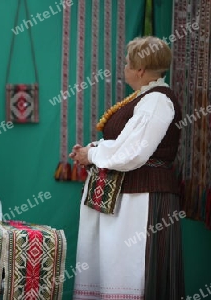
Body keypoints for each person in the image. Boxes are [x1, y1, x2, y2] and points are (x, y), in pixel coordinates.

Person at [69, 36, 185, 300]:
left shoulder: (157, 101)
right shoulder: (145, 98)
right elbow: (124, 144)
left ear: (140, 69)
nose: (124, 68)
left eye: (126, 63)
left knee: (130, 270)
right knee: (113, 268)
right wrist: (92, 150)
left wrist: (93, 153)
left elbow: (134, 152)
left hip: (141, 199)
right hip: (127, 195)